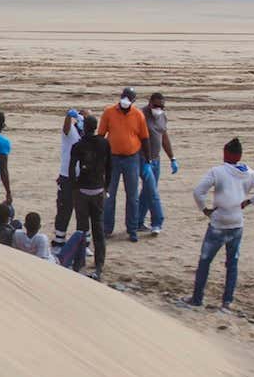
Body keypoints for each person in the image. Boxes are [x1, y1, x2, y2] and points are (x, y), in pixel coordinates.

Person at [180, 138, 254, 311]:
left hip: (219, 222)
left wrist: (204, 209)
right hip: (237, 223)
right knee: (232, 264)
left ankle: (197, 298)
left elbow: (198, 192)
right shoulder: (249, 173)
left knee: (205, 261)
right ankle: (227, 301)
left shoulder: (218, 171)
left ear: (226, 154)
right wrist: (249, 202)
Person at [98, 86, 149, 243]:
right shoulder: (109, 112)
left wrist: (148, 160)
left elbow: (144, 138)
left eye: (129, 98)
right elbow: (101, 135)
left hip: (132, 158)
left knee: (132, 196)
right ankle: (107, 229)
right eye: (124, 97)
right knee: (109, 195)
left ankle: (132, 229)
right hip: (112, 159)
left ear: (133, 101)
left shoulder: (138, 115)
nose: (125, 100)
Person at [67, 115, 112, 281]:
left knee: (81, 229)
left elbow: (71, 168)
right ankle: (99, 265)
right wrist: (106, 186)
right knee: (98, 228)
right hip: (98, 188)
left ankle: (79, 263)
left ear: (85, 127)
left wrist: (74, 186)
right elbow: (110, 167)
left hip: (83, 190)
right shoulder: (104, 143)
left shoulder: (78, 145)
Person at [137, 92, 178, 236]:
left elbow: (164, 137)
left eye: (161, 107)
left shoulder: (162, 116)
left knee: (147, 192)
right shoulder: (140, 115)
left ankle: (138, 221)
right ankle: (157, 222)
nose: (158, 109)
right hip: (142, 159)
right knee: (152, 191)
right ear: (149, 103)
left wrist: (172, 158)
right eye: (156, 106)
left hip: (156, 159)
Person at [53, 108, 88, 250]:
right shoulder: (71, 131)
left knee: (83, 211)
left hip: (83, 177)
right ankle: (59, 242)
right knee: (64, 209)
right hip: (67, 176)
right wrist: (68, 116)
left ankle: (83, 244)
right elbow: (66, 128)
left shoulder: (88, 135)